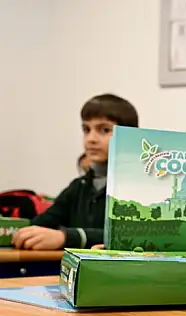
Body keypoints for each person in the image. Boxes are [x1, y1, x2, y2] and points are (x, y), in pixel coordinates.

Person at [12, 93, 138, 250]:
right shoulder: (79, 186)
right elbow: (41, 223)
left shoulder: (137, 187)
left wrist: (68, 237)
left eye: (104, 130)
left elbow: (133, 236)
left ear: (129, 135)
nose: (91, 139)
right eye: (86, 129)